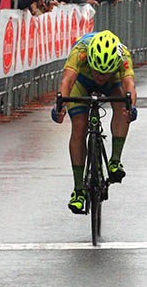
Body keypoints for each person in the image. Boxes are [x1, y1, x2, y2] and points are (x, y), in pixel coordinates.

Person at [52, 31, 136, 214]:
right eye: (97, 70)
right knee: (79, 127)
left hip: (112, 84)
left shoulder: (123, 55)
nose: (100, 76)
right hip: (81, 81)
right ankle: (78, 190)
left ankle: (115, 161)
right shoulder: (80, 50)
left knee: (123, 105)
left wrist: (132, 107)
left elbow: (130, 85)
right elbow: (67, 80)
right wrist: (60, 106)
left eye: (105, 72)